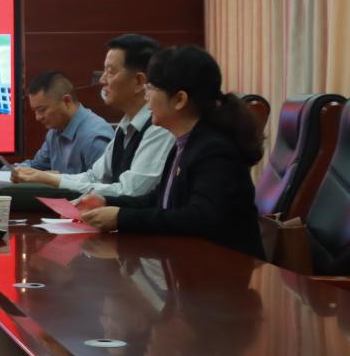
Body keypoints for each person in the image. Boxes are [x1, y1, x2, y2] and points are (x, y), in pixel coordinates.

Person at [79, 45, 265, 260]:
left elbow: (200, 217)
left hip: (226, 267)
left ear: (179, 100)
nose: (146, 97)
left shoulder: (214, 150)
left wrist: (121, 218)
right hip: (191, 263)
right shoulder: (184, 142)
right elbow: (159, 199)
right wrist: (107, 202)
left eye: (151, 89)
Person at [13, 34, 175, 197]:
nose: (102, 80)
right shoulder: (125, 127)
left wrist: (52, 180)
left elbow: (130, 191)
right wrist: (46, 178)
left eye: (110, 72)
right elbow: (94, 177)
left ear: (139, 81)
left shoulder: (160, 127)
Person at [14, 71, 113, 174]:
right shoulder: (54, 132)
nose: (38, 117)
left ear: (67, 101)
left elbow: (101, 183)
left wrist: (54, 178)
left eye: (42, 110)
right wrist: (12, 170)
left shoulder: (94, 138)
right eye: (35, 111)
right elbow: (36, 166)